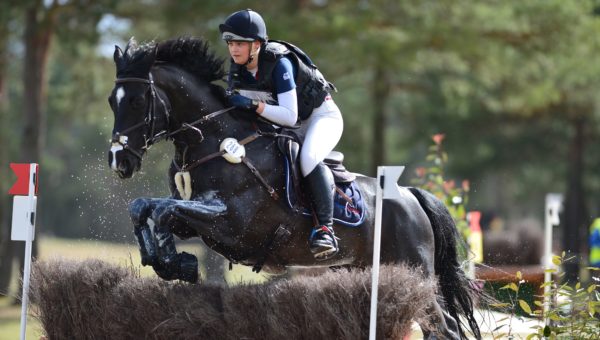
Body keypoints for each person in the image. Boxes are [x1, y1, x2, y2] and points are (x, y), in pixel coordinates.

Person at [219, 9, 343, 260]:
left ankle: (325, 229)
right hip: (287, 124)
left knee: (307, 158)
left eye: (240, 43)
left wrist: (253, 105)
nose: (234, 49)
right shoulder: (237, 69)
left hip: (320, 118)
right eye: (231, 43)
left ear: (256, 45)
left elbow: (289, 116)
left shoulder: (279, 63)